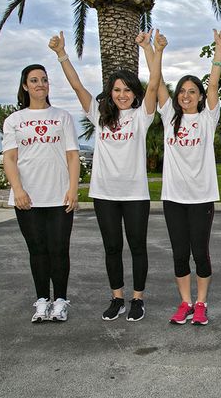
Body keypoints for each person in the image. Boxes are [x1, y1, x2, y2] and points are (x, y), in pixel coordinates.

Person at [49, 29, 165, 322]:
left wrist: (153, 50)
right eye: (117, 90)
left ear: (133, 94)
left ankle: (137, 299)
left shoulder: (142, 116)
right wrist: (62, 54)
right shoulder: (99, 116)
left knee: (137, 246)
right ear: (110, 93)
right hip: (104, 194)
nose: (122, 95)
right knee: (112, 247)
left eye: (127, 90)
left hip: (135, 194)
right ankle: (117, 297)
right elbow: (77, 86)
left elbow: (153, 84)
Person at [138, 30, 221, 326]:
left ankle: (201, 303)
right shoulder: (169, 117)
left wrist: (219, 50)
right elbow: (156, 80)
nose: (186, 96)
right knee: (179, 254)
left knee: (200, 252)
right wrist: (153, 48)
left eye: (192, 91)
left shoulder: (207, 118)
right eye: (182, 92)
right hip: (174, 198)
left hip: (201, 197)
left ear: (200, 97)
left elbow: (215, 82)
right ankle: (185, 303)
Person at [3, 64, 80, 322]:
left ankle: (60, 300)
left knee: (59, 249)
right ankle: (41, 301)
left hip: (59, 196)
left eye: (44, 80)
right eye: (34, 80)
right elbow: (10, 158)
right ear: (25, 86)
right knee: (37, 250)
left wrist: (72, 189)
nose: (40, 84)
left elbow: (72, 155)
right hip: (28, 198)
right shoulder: (14, 120)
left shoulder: (62, 116)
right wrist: (18, 190)